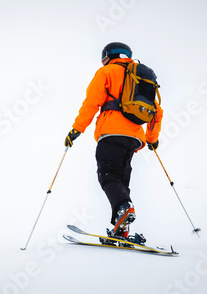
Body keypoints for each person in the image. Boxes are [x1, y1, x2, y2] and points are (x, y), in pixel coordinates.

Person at [64, 42, 163, 243]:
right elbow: (157, 112)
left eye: (103, 57)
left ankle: (124, 209)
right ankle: (121, 230)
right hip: (135, 138)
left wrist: (77, 129)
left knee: (107, 175)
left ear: (109, 55)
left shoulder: (107, 72)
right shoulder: (142, 76)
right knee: (121, 179)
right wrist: (152, 139)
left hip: (110, 133)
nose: (102, 61)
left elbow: (91, 103)